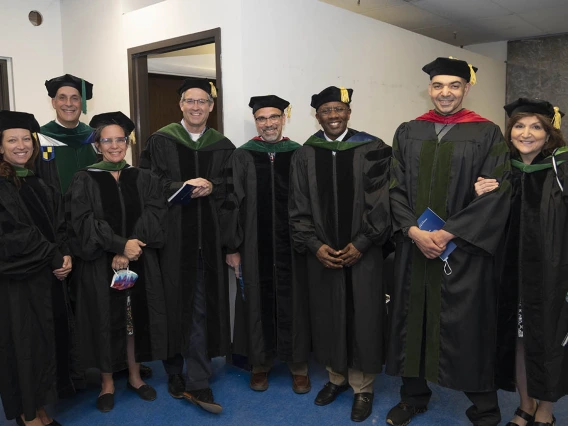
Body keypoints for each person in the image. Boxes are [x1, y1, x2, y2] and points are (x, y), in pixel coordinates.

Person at [386, 57, 511, 426]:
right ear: (429, 88)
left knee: (466, 323)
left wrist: (446, 233)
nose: (446, 93)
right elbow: (394, 187)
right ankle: (412, 397)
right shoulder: (408, 131)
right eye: (438, 85)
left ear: (466, 89)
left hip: (462, 249)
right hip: (415, 246)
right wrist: (413, 231)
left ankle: (485, 406)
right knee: (412, 316)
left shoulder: (486, 133)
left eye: (454, 86)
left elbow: (496, 190)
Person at [288, 86, 392, 422]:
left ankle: (363, 387)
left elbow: (382, 203)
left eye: (339, 109)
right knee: (327, 312)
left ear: (349, 112)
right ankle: (336, 379)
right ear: (316, 115)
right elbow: (297, 205)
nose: (333, 116)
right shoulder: (305, 154)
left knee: (363, 314)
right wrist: (314, 245)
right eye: (326, 110)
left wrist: (363, 242)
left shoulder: (373, 147)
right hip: (323, 253)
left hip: (363, 252)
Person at [140, 78, 235, 414]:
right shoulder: (161, 140)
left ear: (211, 107)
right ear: (180, 105)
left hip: (206, 243)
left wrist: (214, 184)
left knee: (199, 307)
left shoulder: (222, 145)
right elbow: (147, 183)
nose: (196, 107)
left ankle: (197, 379)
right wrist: (180, 185)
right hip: (172, 240)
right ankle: (173, 370)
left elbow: (233, 187)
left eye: (203, 102)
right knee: (170, 303)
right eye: (190, 101)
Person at [65, 112, 167, 413]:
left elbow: (155, 213)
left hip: (138, 260)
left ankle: (135, 376)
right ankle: (107, 382)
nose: (113, 146)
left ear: (127, 142)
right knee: (105, 321)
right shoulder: (84, 178)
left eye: (119, 139)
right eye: (106, 140)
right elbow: (82, 222)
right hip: (99, 265)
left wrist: (130, 245)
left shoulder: (142, 177)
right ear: (97, 145)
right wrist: (118, 245)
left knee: (133, 321)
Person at [474, 98, 567, 426]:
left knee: (548, 342)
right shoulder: (501, 169)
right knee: (516, 339)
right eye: (519, 125)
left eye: (536, 126)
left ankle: (546, 410)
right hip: (509, 274)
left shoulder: (562, 168)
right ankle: (526, 404)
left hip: (551, 277)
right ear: (510, 131)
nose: (526, 133)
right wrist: (482, 194)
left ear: (549, 133)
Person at [223, 95, 310, 394]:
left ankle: (299, 365)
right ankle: (259, 364)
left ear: (284, 118)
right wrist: (232, 247)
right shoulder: (243, 155)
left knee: (295, 300)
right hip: (253, 246)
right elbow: (231, 204)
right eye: (262, 118)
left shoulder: (299, 153)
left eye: (274, 117)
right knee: (256, 300)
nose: (268, 123)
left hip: (293, 246)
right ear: (256, 122)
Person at [0, 110, 72, 426]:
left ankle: (40, 407)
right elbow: (13, 232)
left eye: (26, 139)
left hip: (45, 279)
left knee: (43, 342)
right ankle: (26, 415)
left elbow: (58, 223)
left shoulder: (38, 180)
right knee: (22, 345)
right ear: (0, 146)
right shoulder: (1, 185)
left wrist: (66, 253)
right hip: (16, 281)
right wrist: (54, 256)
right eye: (12, 140)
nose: (21, 145)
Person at [37, 74, 97, 195]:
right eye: (62, 98)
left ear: (82, 103)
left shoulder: (95, 137)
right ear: (54, 103)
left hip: (92, 210)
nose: (69, 104)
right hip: (55, 211)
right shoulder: (39, 138)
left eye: (75, 98)